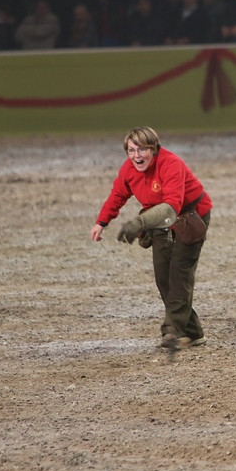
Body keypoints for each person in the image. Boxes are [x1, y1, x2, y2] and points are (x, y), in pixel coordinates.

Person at [91, 126, 213, 350]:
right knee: (163, 277)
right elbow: (118, 194)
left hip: (190, 217)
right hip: (157, 219)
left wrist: (139, 223)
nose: (136, 156)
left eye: (142, 150)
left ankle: (172, 333)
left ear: (154, 149)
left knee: (179, 273)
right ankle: (193, 333)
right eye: (131, 150)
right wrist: (102, 222)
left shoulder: (171, 163)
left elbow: (172, 207)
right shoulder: (129, 169)